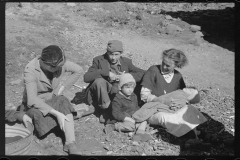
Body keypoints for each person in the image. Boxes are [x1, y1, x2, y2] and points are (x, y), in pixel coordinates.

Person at [140, 48, 211, 151]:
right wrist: (163, 101)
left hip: (171, 108)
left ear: (176, 65)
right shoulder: (153, 71)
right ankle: (192, 139)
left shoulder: (178, 76)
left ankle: (199, 136)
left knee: (189, 109)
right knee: (166, 118)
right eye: (163, 63)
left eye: (168, 65)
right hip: (153, 110)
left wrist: (180, 103)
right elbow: (144, 95)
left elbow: (182, 96)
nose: (164, 67)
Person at [18, 45, 83, 155]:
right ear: (48, 65)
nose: (60, 69)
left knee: (62, 100)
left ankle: (70, 143)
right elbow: (32, 100)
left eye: (61, 66)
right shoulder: (31, 70)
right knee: (38, 115)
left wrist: (61, 88)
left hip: (51, 100)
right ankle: (62, 119)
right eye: (58, 67)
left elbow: (79, 70)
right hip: (34, 106)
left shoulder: (58, 64)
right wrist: (57, 113)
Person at [83, 40, 145, 123]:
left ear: (121, 53)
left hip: (117, 95)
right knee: (99, 81)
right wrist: (106, 73)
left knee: (119, 86)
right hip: (102, 95)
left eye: (116, 55)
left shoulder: (126, 62)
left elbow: (142, 72)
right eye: (111, 54)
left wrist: (126, 77)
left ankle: (116, 111)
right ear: (107, 52)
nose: (113, 58)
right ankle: (106, 108)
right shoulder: (98, 60)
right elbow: (86, 77)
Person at [111, 73, 152, 142]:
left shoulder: (133, 96)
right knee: (130, 126)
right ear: (121, 87)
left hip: (132, 116)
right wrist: (128, 119)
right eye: (127, 87)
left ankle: (139, 135)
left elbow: (136, 107)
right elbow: (116, 113)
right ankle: (114, 126)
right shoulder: (117, 99)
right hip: (122, 118)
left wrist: (140, 113)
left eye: (132, 87)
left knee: (144, 121)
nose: (130, 90)